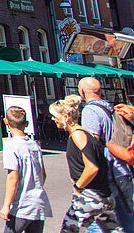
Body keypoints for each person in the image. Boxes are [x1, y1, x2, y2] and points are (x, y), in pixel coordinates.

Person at [49, 95, 121, 232]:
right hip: (102, 194)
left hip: (90, 196)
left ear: (66, 118)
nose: (53, 119)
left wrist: (78, 186)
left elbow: (92, 167)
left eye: (55, 116)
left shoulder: (78, 135)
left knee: (69, 229)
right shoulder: (85, 133)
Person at [79, 77, 134, 232]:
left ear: (82, 91)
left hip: (108, 176)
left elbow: (92, 146)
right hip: (124, 172)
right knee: (128, 222)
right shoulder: (112, 108)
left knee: (99, 224)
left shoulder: (90, 111)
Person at [0, 105, 51, 233]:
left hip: (22, 205)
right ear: (26, 123)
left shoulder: (11, 146)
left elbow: (13, 178)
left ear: (6, 122)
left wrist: (6, 205)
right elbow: (43, 174)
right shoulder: (34, 145)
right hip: (38, 202)